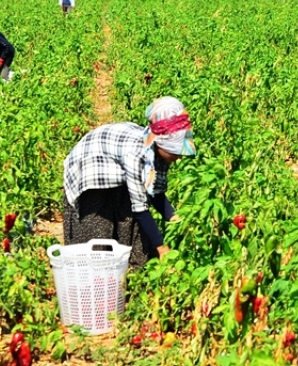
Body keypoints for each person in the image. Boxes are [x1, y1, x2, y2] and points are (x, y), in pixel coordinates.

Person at [62, 97, 197, 268]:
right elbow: (140, 208)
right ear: (160, 143)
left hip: (116, 164)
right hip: (90, 167)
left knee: (131, 231)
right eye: (175, 151)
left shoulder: (158, 151)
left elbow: (154, 191)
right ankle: (95, 277)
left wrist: (174, 217)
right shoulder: (135, 154)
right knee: (97, 235)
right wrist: (162, 249)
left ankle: (130, 273)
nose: (178, 157)